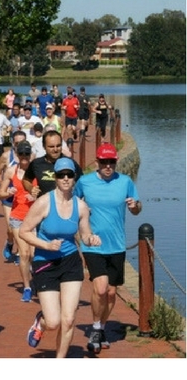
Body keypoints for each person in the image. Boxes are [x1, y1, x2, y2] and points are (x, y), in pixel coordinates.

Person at [20, 158, 101, 358]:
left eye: (69, 175)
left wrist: (91, 239)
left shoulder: (81, 206)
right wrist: (45, 244)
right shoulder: (44, 202)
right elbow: (24, 231)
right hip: (45, 262)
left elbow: (84, 234)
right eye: (61, 175)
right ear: (55, 178)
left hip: (70, 261)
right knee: (54, 322)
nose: (65, 179)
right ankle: (42, 321)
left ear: (74, 178)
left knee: (69, 319)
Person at [74, 143, 141, 353]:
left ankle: (101, 327)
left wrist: (134, 206)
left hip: (117, 245)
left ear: (116, 162)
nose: (108, 166)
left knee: (111, 293)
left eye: (111, 162)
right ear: (97, 162)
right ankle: (95, 328)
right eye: (104, 162)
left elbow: (137, 209)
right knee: (100, 288)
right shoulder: (85, 182)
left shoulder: (125, 182)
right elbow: (72, 204)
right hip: (93, 244)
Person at [0, 140, 38, 301]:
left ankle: (35, 279)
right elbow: (0, 193)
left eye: (27, 154)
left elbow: (46, 191)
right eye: (21, 154)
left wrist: (35, 195)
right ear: (17, 155)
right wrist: (8, 192)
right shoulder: (11, 171)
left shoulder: (36, 171)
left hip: (35, 217)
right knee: (25, 253)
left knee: (35, 254)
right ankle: (27, 287)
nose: (24, 157)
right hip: (18, 216)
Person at [23, 131, 82, 196]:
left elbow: (82, 182)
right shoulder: (36, 163)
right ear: (44, 146)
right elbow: (26, 180)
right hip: (45, 204)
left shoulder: (70, 163)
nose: (55, 149)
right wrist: (31, 189)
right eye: (51, 147)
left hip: (66, 204)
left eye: (58, 146)